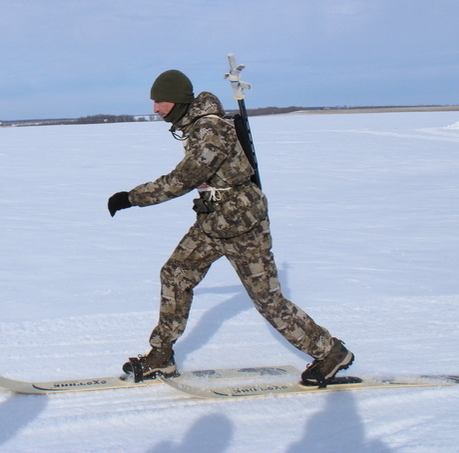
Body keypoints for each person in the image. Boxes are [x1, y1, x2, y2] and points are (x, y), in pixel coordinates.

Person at [107, 70, 353, 387]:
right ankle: (161, 357)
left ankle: (330, 353)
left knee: (268, 301)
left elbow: (185, 178)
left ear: (178, 100)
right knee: (176, 273)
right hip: (213, 222)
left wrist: (132, 198)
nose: (156, 109)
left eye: (160, 102)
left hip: (244, 225)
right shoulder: (196, 126)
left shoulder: (210, 129)